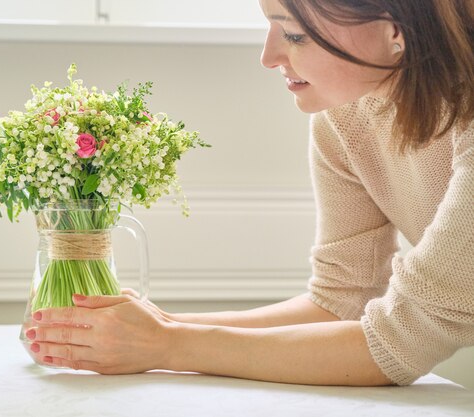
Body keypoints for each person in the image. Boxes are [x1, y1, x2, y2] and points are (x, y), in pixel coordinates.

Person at [25, 0, 474, 386]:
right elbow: (342, 302)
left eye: (294, 35)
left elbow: (404, 339)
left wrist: (168, 345)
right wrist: (157, 326)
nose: (268, 55)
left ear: (395, 31)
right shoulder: (344, 117)